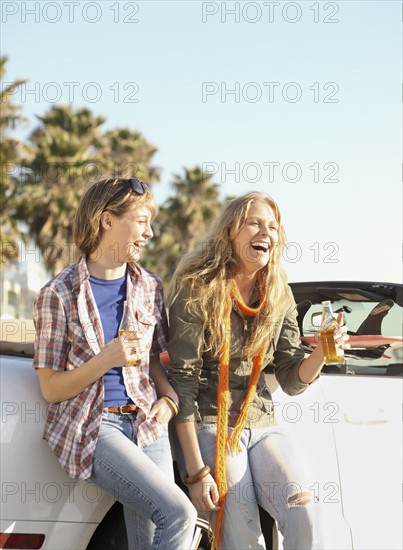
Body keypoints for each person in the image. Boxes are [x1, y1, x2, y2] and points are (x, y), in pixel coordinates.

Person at [167, 191, 349, 550]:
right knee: (241, 528)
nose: (266, 232)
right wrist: (195, 473)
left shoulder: (278, 293)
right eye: (255, 223)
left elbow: (290, 376)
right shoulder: (197, 288)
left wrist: (322, 355)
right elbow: (182, 383)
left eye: (272, 226)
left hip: (261, 421)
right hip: (210, 419)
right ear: (231, 231)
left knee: (304, 509)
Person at [33, 177, 197, 550]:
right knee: (179, 513)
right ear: (107, 220)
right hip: (94, 425)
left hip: (148, 422)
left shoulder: (150, 286)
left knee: (149, 538)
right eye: (141, 221)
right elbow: (51, 387)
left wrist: (169, 399)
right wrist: (105, 358)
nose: (150, 233)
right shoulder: (58, 294)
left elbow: (154, 363)